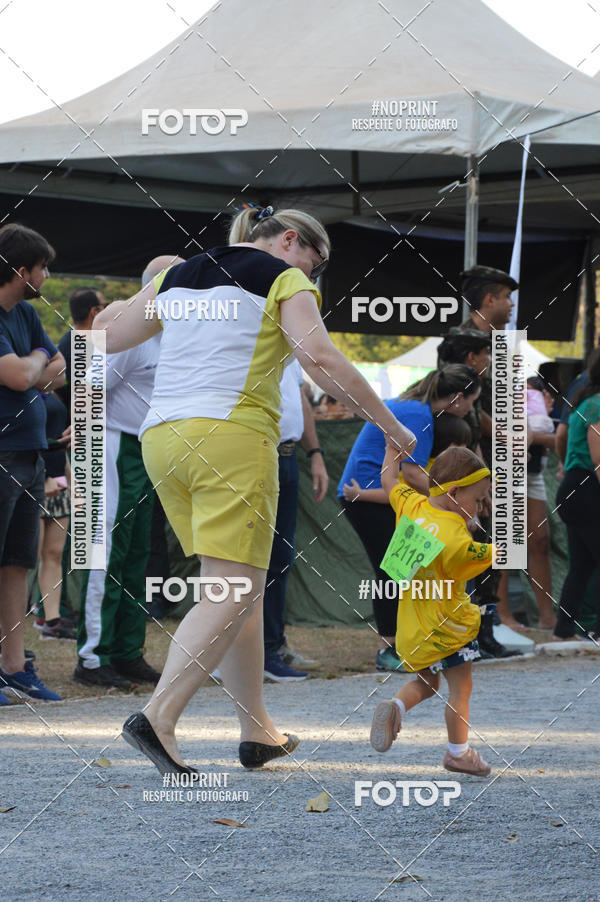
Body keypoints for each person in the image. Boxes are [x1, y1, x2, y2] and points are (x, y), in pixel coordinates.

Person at [94, 205, 417, 775]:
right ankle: (159, 717)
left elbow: (110, 336)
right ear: (290, 240)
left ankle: (257, 730)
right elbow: (319, 357)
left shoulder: (180, 274)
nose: (312, 279)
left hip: (164, 438)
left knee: (237, 586)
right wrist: (391, 426)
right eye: (314, 266)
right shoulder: (285, 279)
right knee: (234, 588)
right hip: (232, 438)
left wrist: (145, 291)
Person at [74, 256, 183, 689]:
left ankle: (126, 651)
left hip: (143, 448)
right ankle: (92, 657)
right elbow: (90, 383)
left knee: (139, 554)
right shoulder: (133, 329)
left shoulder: (171, 332)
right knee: (103, 552)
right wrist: (85, 445)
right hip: (111, 445)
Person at [338, 365, 480, 671]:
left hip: (375, 495)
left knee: (402, 569)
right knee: (393, 571)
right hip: (369, 496)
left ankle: (407, 642)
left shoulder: (414, 407)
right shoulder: (419, 416)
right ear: (457, 398)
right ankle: (389, 648)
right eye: (471, 402)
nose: (470, 410)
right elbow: (414, 475)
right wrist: (453, 501)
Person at [369, 446, 495, 776]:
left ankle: (396, 705)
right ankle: (459, 753)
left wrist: (391, 450)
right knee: (461, 690)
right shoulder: (456, 540)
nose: (480, 509)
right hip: (448, 626)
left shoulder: (413, 505)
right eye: (478, 500)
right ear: (454, 492)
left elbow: (388, 480)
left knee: (428, 682)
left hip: (414, 624)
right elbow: (496, 554)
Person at [0, 223, 65, 703]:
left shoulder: (24, 314)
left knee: (18, 563)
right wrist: (39, 357)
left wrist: (37, 361)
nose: (46, 275)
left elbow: (58, 372)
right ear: (23, 271)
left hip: (31, 456)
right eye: (43, 268)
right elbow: (26, 376)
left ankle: (14, 665)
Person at [450, 266, 518, 656]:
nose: (511, 306)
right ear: (488, 299)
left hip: (498, 461)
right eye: (506, 297)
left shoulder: (503, 346)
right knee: (469, 545)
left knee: (500, 544)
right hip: (470, 460)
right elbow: (460, 406)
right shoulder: (462, 341)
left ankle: (487, 627)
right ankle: (467, 630)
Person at [262, 357, 328, 681]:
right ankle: (256, 652)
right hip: (258, 455)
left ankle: (273, 643)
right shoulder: (249, 334)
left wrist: (315, 453)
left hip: (287, 456)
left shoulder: (287, 349)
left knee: (280, 558)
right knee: (249, 559)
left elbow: (299, 398)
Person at [553, 349, 600, 641]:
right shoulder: (597, 405)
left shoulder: (584, 400)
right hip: (587, 489)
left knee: (582, 565)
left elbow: (560, 436)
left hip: (573, 485)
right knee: (585, 564)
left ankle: (563, 630)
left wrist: (564, 463)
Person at [35, 390, 74, 640]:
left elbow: (60, 442)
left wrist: (71, 480)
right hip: (33, 481)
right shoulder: (19, 395)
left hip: (59, 483)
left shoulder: (51, 395)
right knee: (26, 558)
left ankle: (52, 621)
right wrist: (46, 477)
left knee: (54, 554)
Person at [55, 287, 107, 410]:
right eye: (105, 305)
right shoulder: (68, 349)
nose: (108, 310)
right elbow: (59, 395)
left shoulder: (100, 342)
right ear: (95, 312)